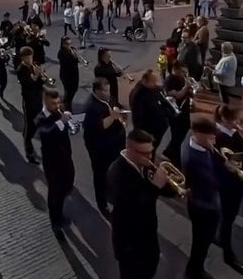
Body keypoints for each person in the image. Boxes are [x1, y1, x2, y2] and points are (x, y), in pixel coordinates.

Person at [106, 129, 177, 279]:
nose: (150, 158)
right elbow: (135, 211)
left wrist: (173, 189)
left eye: (151, 152)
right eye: (145, 153)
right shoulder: (117, 173)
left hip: (147, 237)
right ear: (129, 149)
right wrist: (155, 187)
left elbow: (159, 188)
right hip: (129, 244)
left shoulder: (143, 165)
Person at [180, 116, 224, 279]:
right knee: (200, 243)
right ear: (197, 134)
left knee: (203, 243)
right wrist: (228, 168)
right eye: (209, 137)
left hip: (210, 204)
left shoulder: (203, 147)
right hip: (202, 206)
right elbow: (213, 183)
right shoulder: (192, 158)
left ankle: (194, 269)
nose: (213, 140)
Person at [214, 105, 243, 275]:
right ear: (223, 119)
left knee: (231, 214)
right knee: (227, 217)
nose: (237, 123)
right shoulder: (218, 137)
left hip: (236, 181)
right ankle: (227, 253)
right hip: (227, 183)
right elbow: (219, 162)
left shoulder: (233, 133)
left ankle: (220, 236)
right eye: (234, 120)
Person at [35, 88, 76, 241]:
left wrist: (71, 120)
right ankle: (55, 223)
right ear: (46, 102)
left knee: (67, 184)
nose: (57, 106)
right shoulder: (41, 117)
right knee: (55, 193)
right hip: (52, 162)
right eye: (54, 103)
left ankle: (60, 212)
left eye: (58, 102)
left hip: (65, 157)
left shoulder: (59, 112)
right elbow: (46, 133)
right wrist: (61, 122)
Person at [83, 78, 126, 217]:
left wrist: (121, 115)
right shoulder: (90, 107)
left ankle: (113, 194)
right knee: (100, 176)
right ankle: (103, 205)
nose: (108, 93)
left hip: (114, 144)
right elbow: (100, 126)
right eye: (105, 91)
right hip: (100, 149)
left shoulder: (108, 98)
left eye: (108, 90)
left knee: (114, 172)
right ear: (97, 91)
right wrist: (113, 116)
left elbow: (116, 107)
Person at [130, 69, 169, 155]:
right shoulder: (138, 96)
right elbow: (137, 119)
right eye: (153, 82)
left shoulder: (151, 88)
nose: (155, 84)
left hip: (159, 129)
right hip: (150, 133)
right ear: (144, 81)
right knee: (149, 153)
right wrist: (144, 135)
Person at [16, 46, 45, 164]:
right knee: (29, 129)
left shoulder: (34, 66)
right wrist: (36, 75)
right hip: (28, 101)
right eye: (27, 57)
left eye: (31, 57)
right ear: (23, 58)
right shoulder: (21, 70)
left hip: (38, 100)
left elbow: (39, 83)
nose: (30, 59)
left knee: (38, 124)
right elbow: (28, 83)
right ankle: (29, 153)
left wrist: (42, 76)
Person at [161, 61, 192, 167]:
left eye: (186, 72)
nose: (185, 74)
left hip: (185, 110)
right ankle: (175, 157)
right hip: (174, 112)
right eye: (183, 72)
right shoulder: (169, 81)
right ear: (176, 70)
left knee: (185, 129)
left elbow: (188, 94)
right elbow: (176, 96)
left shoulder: (183, 79)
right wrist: (185, 88)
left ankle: (170, 151)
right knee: (177, 134)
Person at [57, 36, 80, 111]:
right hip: (66, 74)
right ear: (63, 44)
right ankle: (67, 107)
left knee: (74, 89)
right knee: (68, 91)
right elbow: (67, 62)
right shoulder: (61, 52)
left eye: (69, 42)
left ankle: (67, 104)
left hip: (74, 73)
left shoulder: (72, 49)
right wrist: (75, 58)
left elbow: (76, 58)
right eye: (66, 43)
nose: (68, 45)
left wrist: (77, 56)